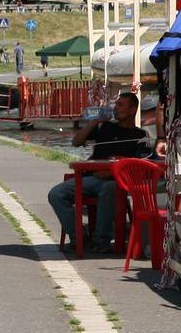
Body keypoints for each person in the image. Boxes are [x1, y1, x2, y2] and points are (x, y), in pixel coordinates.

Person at [46, 91, 151, 254]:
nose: (116, 108)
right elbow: (76, 142)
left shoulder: (140, 135)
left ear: (133, 110)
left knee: (109, 188)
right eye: (116, 104)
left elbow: (139, 164)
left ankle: (101, 241)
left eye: (121, 105)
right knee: (56, 194)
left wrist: (111, 173)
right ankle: (79, 236)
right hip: (91, 177)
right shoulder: (105, 127)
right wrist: (95, 122)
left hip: (117, 180)